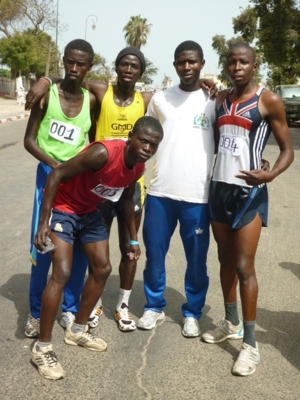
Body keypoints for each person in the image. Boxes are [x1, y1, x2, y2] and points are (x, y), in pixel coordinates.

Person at [25, 46, 218, 332]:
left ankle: (116, 305)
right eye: (124, 65)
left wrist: (206, 83)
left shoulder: (149, 98)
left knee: (126, 247)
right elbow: (71, 75)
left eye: (135, 66)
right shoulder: (101, 92)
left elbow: (189, 96)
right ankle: (70, 307)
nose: (129, 70)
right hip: (91, 182)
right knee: (72, 249)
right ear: (116, 68)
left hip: (129, 184)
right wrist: (45, 80)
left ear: (141, 72)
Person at [31, 116, 164, 380]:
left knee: (102, 268)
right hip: (63, 209)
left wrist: (133, 238)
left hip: (87, 212)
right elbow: (57, 173)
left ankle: (78, 330)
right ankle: (42, 347)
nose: (148, 148)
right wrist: (43, 221)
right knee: (62, 273)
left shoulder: (137, 166)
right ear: (131, 137)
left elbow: (126, 200)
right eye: (144, 141)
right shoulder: (102, 153)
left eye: (153, 145)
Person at [201, 43, 294, 376]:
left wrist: (269, 173)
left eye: (244, 62)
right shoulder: (221, 98)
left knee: (244, 267)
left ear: (255, 65)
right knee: (224, 261)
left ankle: (250, 346)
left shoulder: (268, 100)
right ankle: (231, 323)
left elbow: (287, 150)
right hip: (219, 190)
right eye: (232, 61)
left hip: (249, 193)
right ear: (226, 65)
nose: (237, 66)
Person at [137, 40, 217, 338]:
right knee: (155, 254)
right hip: (159, 190)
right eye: (182, 62)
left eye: (192, 62)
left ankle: (193, 312)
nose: (187, 67)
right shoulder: (160, 99)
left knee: (196, 260)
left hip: (197, 195)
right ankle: (154, 306)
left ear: (201, 64)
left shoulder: (213, 101)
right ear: (174, 65)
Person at [23, 39, 97, 338]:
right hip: (49, 177)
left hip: (77, 183)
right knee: (43, 245)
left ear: (89, 66)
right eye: (70, 62)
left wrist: (76, 171)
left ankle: (68, 309)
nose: (75, 68)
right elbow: (29, 141)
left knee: (77, 247)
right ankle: (35, 312)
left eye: (81, 64)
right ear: (63, 61)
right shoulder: (47, 96)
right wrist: (56, 167)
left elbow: (91, 144)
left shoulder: (91, 101)